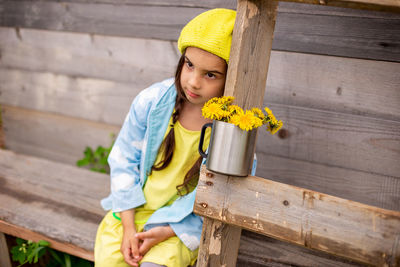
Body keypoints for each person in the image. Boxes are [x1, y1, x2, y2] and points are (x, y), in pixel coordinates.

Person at [94, 8, 237, 267]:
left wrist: (170, 230)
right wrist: (128, 227)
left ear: (231, 77)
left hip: (181, 223)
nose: (193, 82)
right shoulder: (152, 102)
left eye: (210, 74)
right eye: (189, 64)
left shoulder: (233, 129)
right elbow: (123, 159)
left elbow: (225, 194)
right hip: (133, 211)